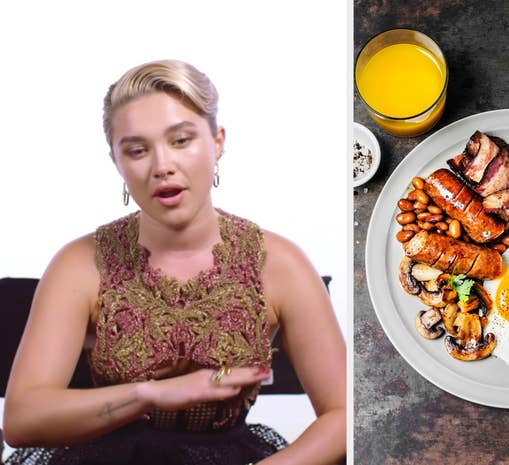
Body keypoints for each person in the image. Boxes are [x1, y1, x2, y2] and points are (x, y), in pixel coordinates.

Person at [2, 59, 346, 465]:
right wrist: (147, 393)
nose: (162, 166)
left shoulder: (278, 264)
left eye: (181, 140)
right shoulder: (80, 265)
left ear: (217, 142)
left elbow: (343, 413)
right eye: (136, 150)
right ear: (116, 161)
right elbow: (22, 420)